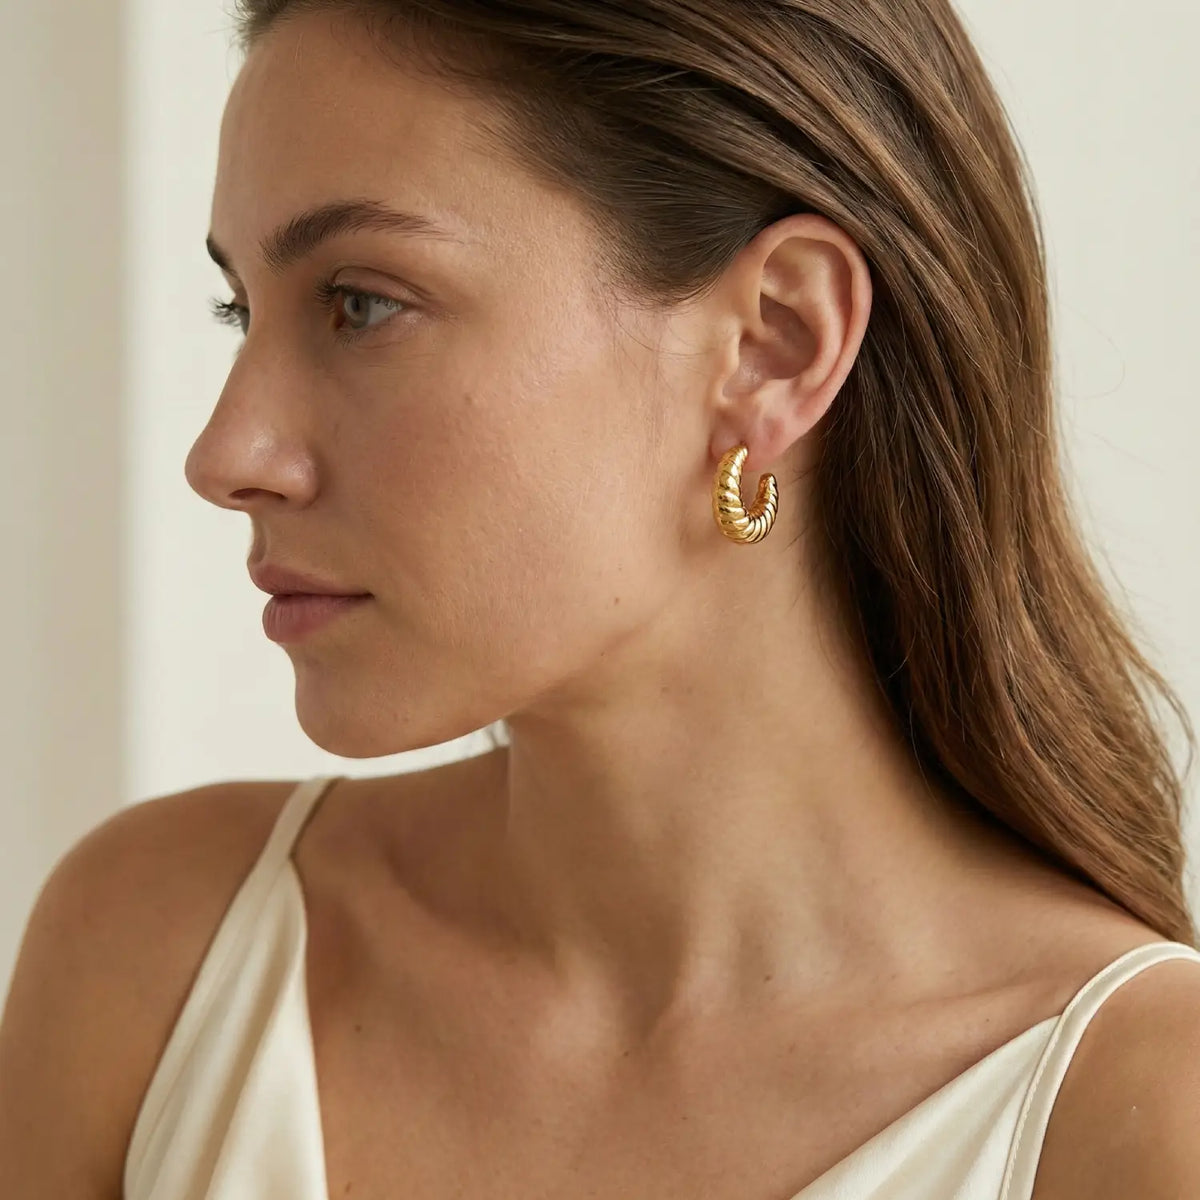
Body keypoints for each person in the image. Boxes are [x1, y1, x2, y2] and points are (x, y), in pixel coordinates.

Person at [3, 1, 1199, 1196]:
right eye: (240, 311)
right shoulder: (158, 958)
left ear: (773, 344)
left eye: (361, 304)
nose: (227, 453)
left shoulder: (1139, 1116)